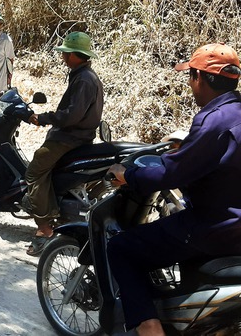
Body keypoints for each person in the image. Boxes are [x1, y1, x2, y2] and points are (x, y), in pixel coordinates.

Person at [106, 43, 241, 336]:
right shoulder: (232, 116)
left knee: (120, 248)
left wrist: (128, 175)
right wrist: (188, 149)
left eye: (191, 78)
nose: (191, 85)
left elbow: (172, 173)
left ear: (199, 78)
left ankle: (149, 326)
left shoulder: (212, 120)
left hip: (213, 227)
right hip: (235, 228)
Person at [22, 31, 104, 256]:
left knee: (34, 171)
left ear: (78, 55)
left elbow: (71, 116)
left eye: (67, 53)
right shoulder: (83, 75)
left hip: (70, 138)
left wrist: (44, 118)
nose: (64, 57)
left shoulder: (85, 79)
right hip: (75, 136)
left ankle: (44, 228)